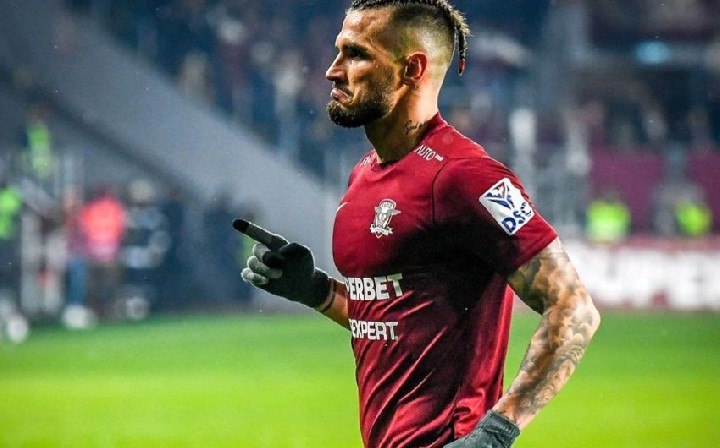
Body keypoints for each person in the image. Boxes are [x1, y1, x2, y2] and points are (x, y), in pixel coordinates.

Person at [240, 1, 601, 447]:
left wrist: (496, 432)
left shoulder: (467, 176)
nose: (333, 71)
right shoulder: (363, 175)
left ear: (412, 69)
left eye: (356, 54)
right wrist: (317, 291)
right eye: (338, 52)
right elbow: (392, 322)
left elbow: (573, 307)